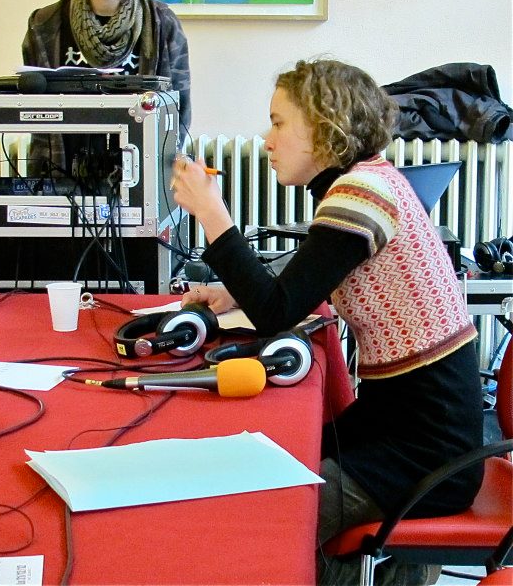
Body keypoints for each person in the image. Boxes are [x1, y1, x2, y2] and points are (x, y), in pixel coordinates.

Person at [171, 58, 483, 586]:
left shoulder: (360, 195)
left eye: (279, 122)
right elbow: (310, 281)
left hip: (425, 456)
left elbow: (276, 312)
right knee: (281, 458)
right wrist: (234, 290)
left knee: (263, 519)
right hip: (410, 428)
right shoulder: (370, 180)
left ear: (324, 129)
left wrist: (211, 214)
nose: (267, 139)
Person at [22, 0, 191, 177]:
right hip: (59, 177)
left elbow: (179, 108)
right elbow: (35, 115)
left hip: (139, 176)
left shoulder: (162, 24)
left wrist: (163, 175)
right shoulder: (45, 25)